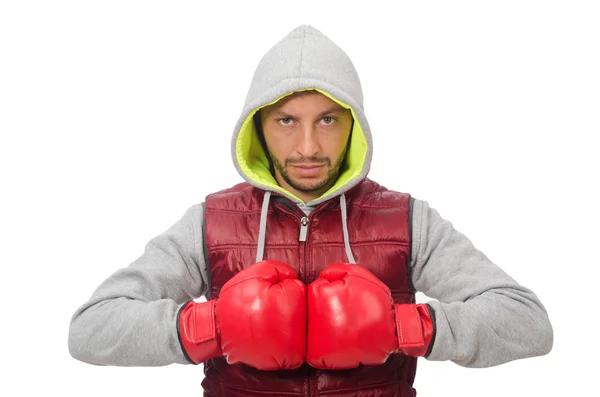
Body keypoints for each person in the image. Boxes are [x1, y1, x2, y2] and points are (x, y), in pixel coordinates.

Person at [68, 25, 553, 396]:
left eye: (327, 120)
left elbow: (527, 322)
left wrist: (405, 327)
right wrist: (210, 327)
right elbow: (91, 329)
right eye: (286, 121)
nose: (307, 146)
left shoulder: (406, 220)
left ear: (353, 125)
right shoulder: (211, 221)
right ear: (258, 126)